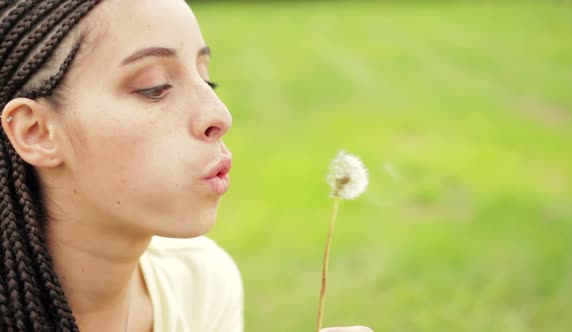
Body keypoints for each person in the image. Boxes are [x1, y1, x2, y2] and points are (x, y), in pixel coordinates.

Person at [0, 1, 374, 331]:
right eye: (155, 87)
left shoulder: (200, 283)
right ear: (36, 132)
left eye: (206, 77)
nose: (219, 114)